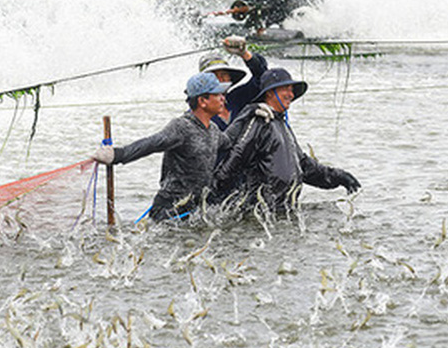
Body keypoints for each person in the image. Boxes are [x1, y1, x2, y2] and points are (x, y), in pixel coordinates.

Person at [210, 68, 361, 214]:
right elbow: (236, 158)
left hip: (284, 210)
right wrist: (213, 197)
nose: (291, 94)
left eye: (292, 89)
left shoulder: (281, 124)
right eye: (286, 89)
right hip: (262, 213)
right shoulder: (259, 122)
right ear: (270, 92)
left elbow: (304, 166)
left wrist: (339, 177)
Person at [92, 72, 227, 221]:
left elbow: (230, 142)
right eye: (218, 94)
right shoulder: (182, 127)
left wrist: (249, 114)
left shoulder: (213, 130)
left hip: (194, 207)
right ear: (202, 101)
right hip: (170, 207)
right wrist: (118, 155)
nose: (223, 98)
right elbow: (153, 143)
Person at [199, 35, 268, 130]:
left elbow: (263, 79)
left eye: (224, 74)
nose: (220, 78)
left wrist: (244, 54)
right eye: (214, 75)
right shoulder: (197, 113)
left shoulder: (237, 99)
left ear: (230, 78)